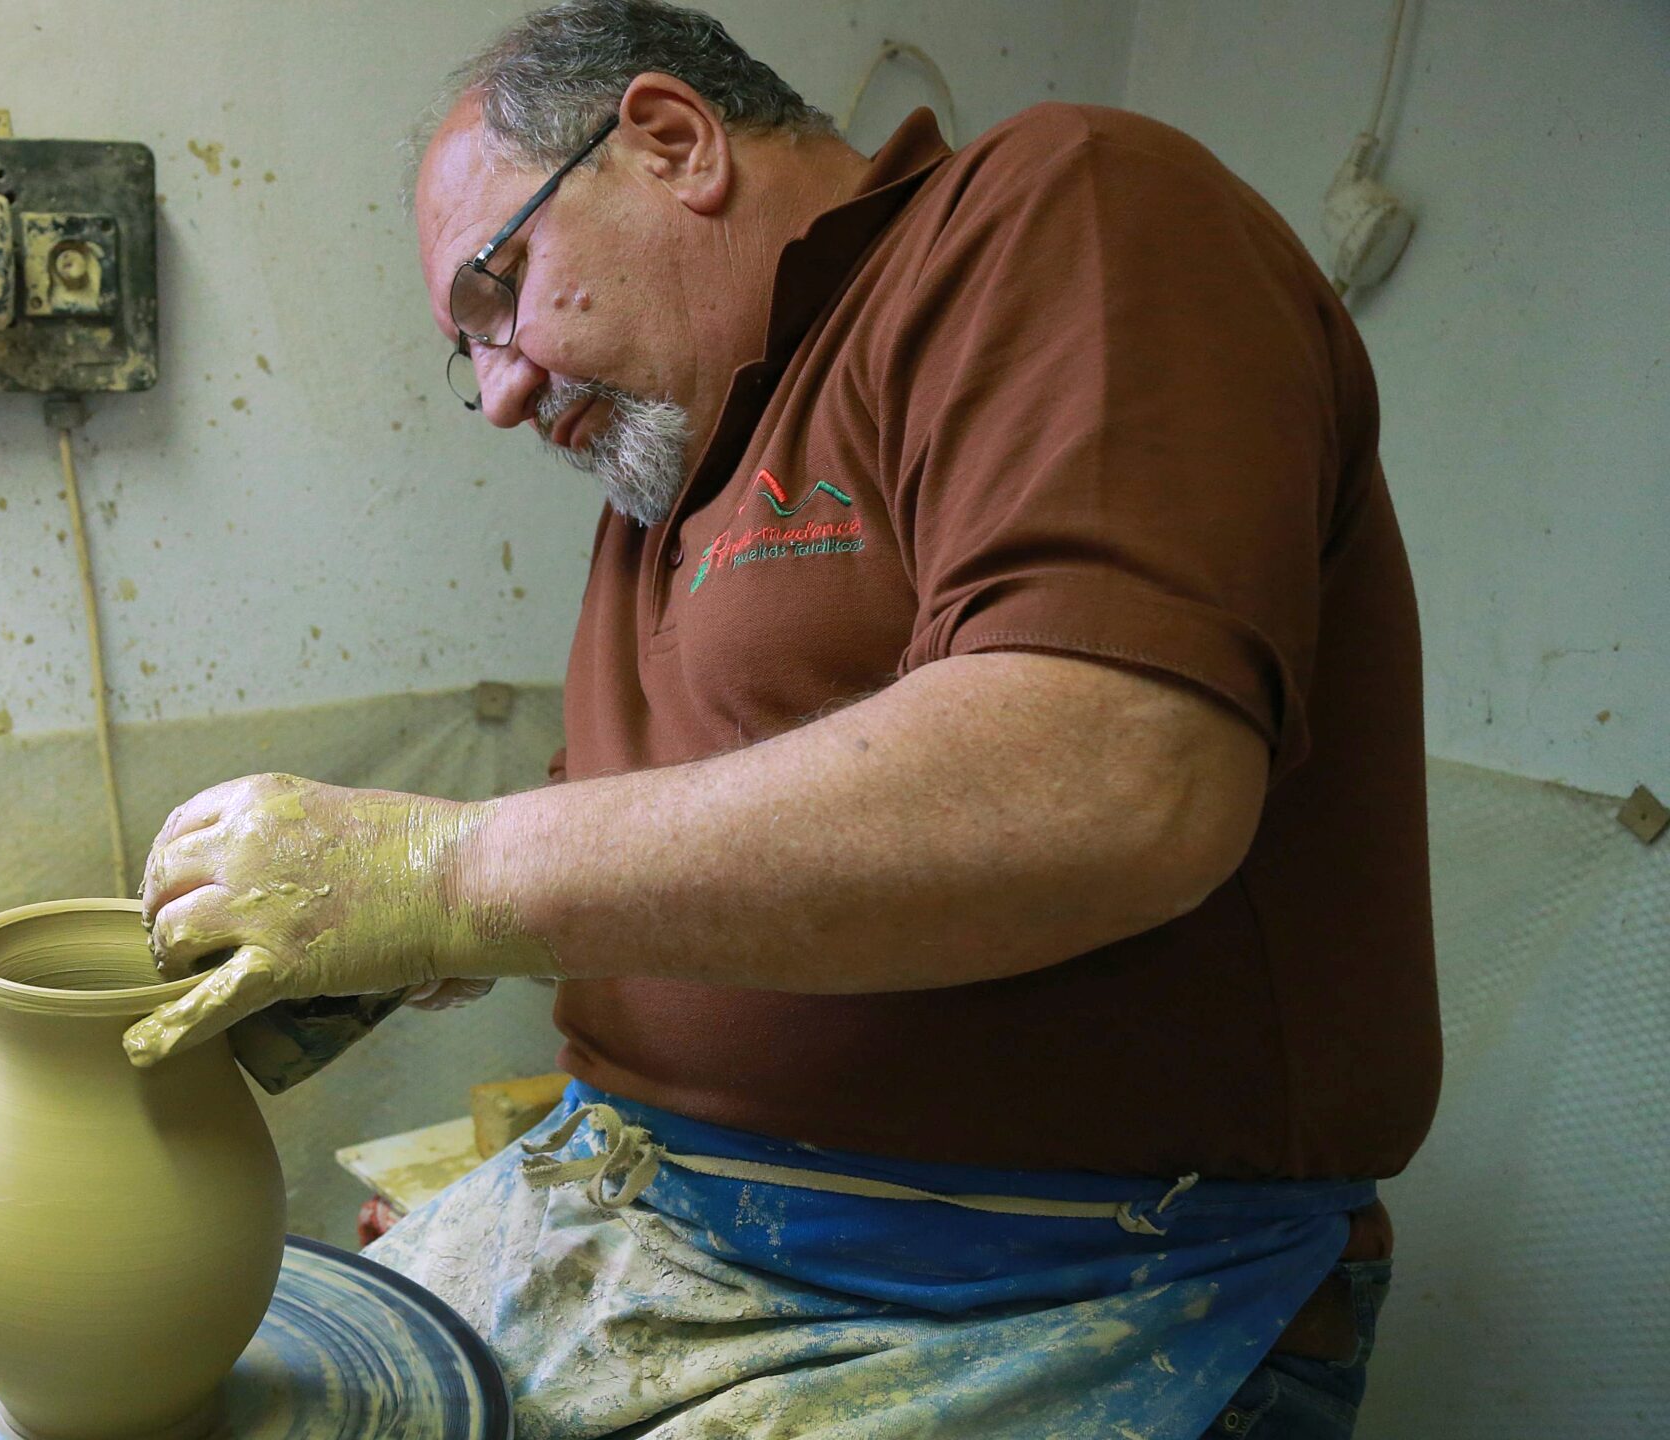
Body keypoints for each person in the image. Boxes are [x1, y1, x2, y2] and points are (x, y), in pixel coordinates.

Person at [124, 2, 1439, 1435]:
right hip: (641, 1202)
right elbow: (665, 840)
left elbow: (1114, 777)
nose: (500, 391)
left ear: (672, 143)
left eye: (500, 294)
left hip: (1047, 1279)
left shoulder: (1063, 213)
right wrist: (345, 936)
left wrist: (446, 878)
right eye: (469, 352)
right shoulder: (671, 461)